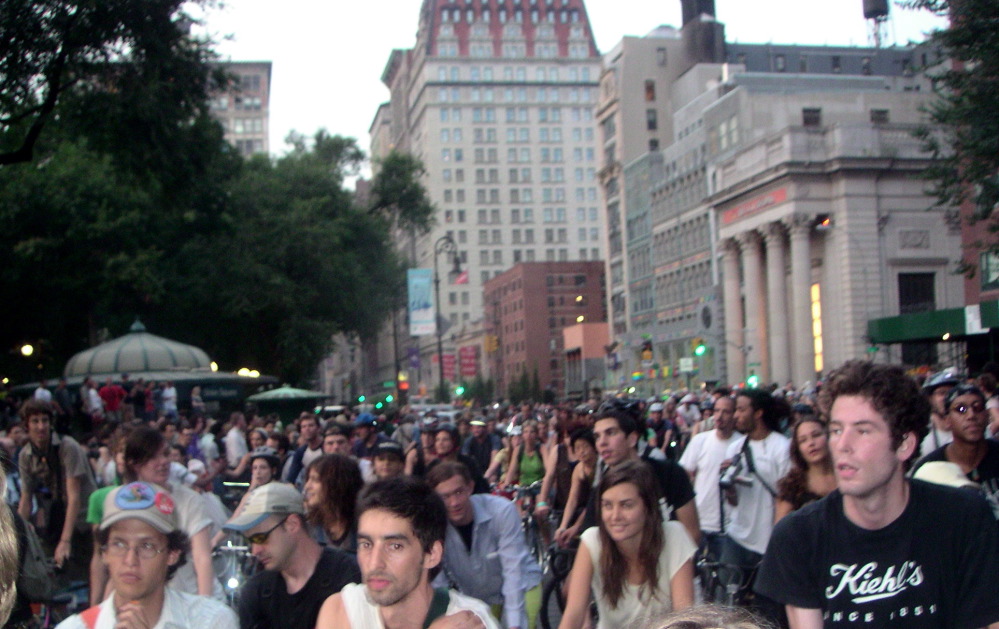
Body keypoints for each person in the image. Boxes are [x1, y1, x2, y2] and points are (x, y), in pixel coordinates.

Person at [755, 360, 999, 628]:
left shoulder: (963, 518)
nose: (842, 445)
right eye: (836, 430)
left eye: (862, 430)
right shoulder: (798, 537)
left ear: (904, 444)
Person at [315, 476, 498, 629]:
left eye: (395, 546)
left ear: (432, 554)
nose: (374, 563)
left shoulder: (469, 620)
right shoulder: (344, 608)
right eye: (366, 544)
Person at [55, 481, 237, 629]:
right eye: (119, 544)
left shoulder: (211, 621)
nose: (130, 560)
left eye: (147, 546)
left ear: (172, 555)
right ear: (104, 553)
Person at [558, 459, 695, 629]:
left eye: (626, 505)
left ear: (648, 507)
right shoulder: (592, 541)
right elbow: (573, 614)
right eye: (607, 505)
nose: (615, 516)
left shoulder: (674, 536)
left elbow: (684, 615)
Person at [225, 482, 360, 629]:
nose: (255, 550)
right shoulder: (256, 592)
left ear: (292, 524)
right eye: (249, 541)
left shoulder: (347, 575)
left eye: (260, 538)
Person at [426, 461, 543, 629]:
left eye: (459, 492)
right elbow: (439, 583)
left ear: (470, 487)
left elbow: (514, 571)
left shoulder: (502, 510)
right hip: (481, 596)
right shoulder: (434, 527)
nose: (454, 502)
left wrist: (515, 625)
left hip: (523, 584)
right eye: (445, 496)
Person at [561, 409, 699, 546]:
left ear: (632, 439)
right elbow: (592, 540)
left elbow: (692, 533)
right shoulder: (603, 487)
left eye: (611, 433)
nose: (602, 442)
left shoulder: (669, 473)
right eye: (597, 436)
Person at [17, 399, 96, 566]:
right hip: (58, 517)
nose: (41, 426)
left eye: (45, 420)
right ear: (27, 425)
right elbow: (26, 499)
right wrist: (16, 536)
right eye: (35, 421)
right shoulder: (25, 455)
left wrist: (65, 541)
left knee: (85, 567)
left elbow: (74, 497)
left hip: (83, 518)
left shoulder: (68, 446)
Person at [719, 389, 790, 573]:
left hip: (768, 542)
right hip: (736, 537)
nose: (736, 416)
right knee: (725, 600)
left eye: (741, 410)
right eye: (736, 410)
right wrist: (728, 483)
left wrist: (778, 540)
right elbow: (733, 501)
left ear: (758, 413)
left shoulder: (781, 447)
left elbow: (786, 498)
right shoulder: (736, 448)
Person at [912, 382, 999, 518]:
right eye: (961, 409)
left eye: (978, 407)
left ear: (987, 415)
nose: (971, 415)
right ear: (947, 420)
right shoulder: (929, 470)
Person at [678, 394, 739, 559]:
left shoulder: (741, 444)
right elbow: (684, 475)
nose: (719, 416)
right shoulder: (700, 441)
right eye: (716, 411)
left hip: (729, 527)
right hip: (700, 523)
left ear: (735, 415)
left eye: (726, 412)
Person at [773, 415, 836, 523]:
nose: (811, 443)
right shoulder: (792, 486)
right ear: (798, 449)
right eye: (803, 440)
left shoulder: (848, 474)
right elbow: (781, 530)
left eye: (816, 435)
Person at [304, 453, 364, 552]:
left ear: (337, 483)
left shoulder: (365, 525)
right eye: (308, 479)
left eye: (315, 480)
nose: (307, 486)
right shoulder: (309, 527)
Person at [426, 423, 490, 494]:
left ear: (455, 441)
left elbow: (482, 488)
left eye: (445, 439)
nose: (440, 443)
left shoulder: (468, 463)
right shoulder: (432, 466)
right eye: (437, 440)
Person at [920, 370, 959, 456]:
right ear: (930, 399)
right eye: (942, 393)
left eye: (952, 392)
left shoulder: (970, 427)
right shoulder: (921, 432)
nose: (948, 397)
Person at [285, 414, 323, 486]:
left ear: (318, 428)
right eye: (304, 427)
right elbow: (291, 477)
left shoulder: (326, 447)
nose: (307, 429)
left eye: (311, 425)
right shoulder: (300, 452)